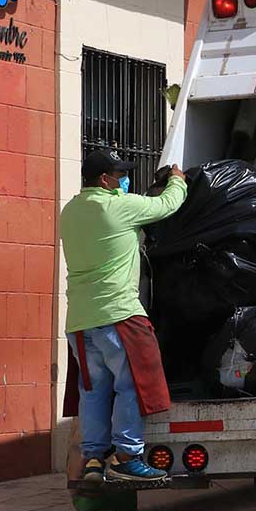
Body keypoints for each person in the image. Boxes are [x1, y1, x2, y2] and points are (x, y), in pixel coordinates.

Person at [61, 149, 188, 482]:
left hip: (80, 322)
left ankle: (93, 460)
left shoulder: (70, 211)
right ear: (105, 180)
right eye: (119, 176)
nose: (124, 181)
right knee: (132, 386)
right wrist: (178, 181)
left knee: (94, 392)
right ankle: (128, 457)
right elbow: (166, 206)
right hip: (119, 316)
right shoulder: (118, 206)